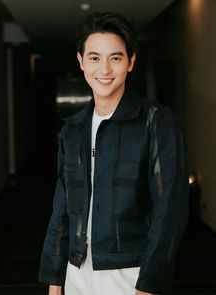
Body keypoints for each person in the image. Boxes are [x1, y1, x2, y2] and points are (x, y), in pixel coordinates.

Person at [38, 12, 189, 295]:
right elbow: (61, 211)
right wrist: (54, 280)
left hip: (129, 273)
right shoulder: (72, 129)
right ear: (82, 62)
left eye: (116, 58)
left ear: (131, 62)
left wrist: (149, 284)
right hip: (76, 272)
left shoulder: (156, 121)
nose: (104, 69)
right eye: (94, 58)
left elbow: (170, 209)